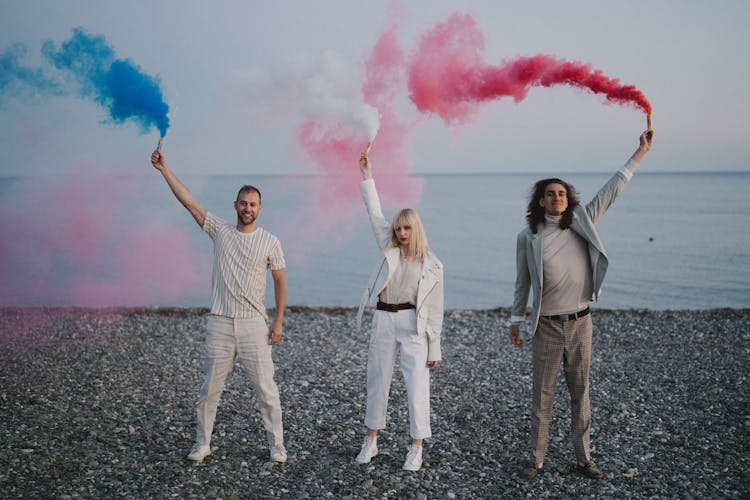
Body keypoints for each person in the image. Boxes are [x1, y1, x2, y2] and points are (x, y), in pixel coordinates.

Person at [509, 130, 654, 480]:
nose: (557, 198)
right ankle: (537, 460)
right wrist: (515, 320)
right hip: (545, 325)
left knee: (580, 393)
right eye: (550, 194)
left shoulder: (582, 222)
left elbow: (613, 189)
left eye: (562, 193)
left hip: (580, 323)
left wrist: (640, 152)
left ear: (568, 199)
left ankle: (584, 457)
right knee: (541, 396)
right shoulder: (527, 237)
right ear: (541, 201)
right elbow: (522, 282)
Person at [150, 149, 288, 464]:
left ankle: (277, 446)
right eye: (243, 203)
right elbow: (189, 202)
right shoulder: (220, 231)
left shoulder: (271, 242)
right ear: (235, 206)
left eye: (253, 204)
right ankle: (202, 443)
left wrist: (278, 322)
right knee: (209, 390)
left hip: (254, 325)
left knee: (267, 392)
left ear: (260, 208)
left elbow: (280, 282)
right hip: (220, 324)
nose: (247, 208)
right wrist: (164, 169)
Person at [354, 152, 444, 472]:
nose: (401, 233)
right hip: (383, 319)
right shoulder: (388, 246)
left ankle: (416, 447)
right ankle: (371, 441)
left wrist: (435, 347)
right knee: (377, 381)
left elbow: (435, 311)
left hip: (413, 325)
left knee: (416, 387)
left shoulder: (432, 265)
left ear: (415, 229)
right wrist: (368, 174)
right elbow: (374, 211)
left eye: (406, 228)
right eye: (398, 228)